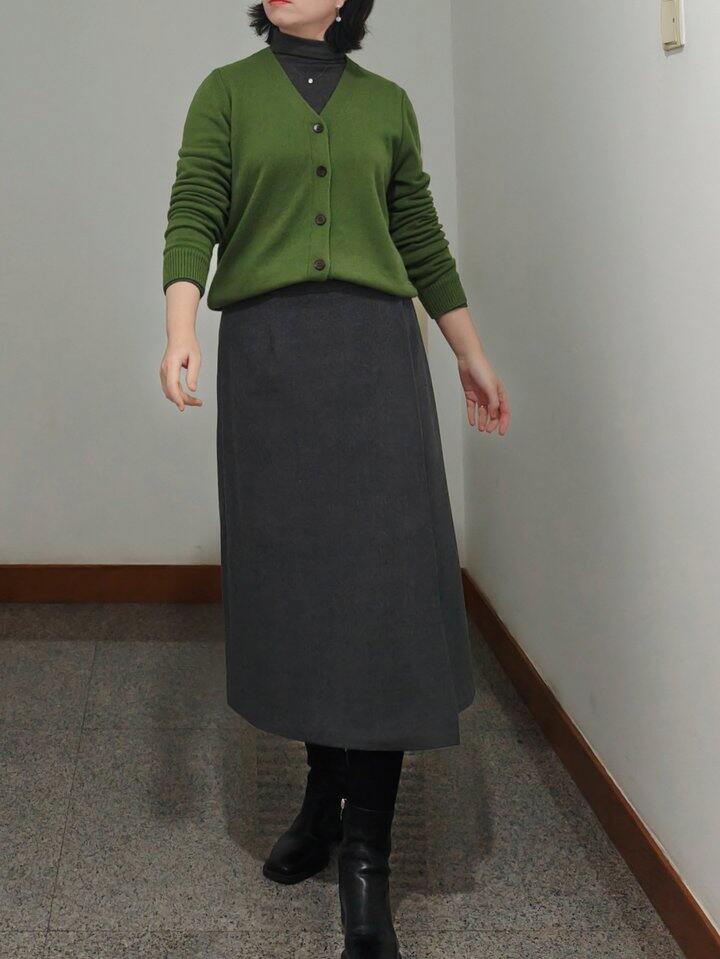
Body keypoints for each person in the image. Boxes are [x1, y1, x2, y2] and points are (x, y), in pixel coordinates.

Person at [159, 2, 510, 956]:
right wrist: (181, 328)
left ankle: (366, 856)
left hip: (374, 362)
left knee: (380, 600)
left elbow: (419, 235)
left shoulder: (387, 104)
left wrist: (469, 352)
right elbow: (194, 209)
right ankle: (322, 795)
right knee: (304, 594)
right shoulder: (226, 94)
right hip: (271, 364)